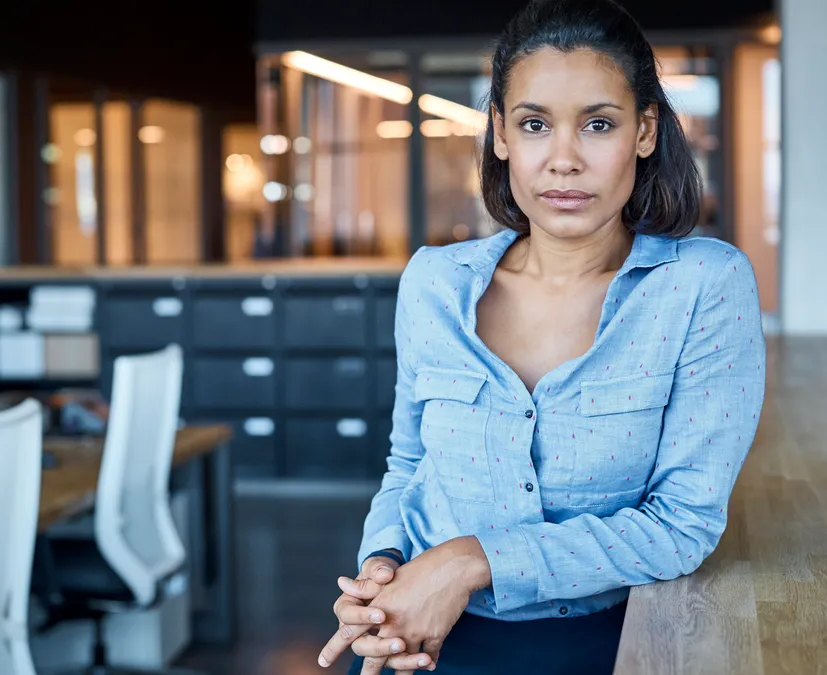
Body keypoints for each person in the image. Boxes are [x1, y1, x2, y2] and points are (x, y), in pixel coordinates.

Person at [317, 1, 767, 673]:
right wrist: (382, 572)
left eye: (598, 124)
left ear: (644, 131)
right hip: (415, 634)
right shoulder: (434, 282)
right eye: (534, 124)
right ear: (499, 133)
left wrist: (471, 560)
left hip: (600, 641)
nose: (563, 160)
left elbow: (681, 525)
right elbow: (409, 464)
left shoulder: (703, 286)